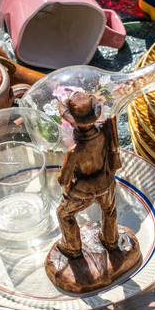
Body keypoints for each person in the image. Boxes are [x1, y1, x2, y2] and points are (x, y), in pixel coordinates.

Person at [55, 91, 122, 258]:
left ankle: (72, 248)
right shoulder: (104, 134)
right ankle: (111, 241)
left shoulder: (74, 150)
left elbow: (64, 179)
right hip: (105, 182)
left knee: (63, 214)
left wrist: (65, 189)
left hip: (83, 190)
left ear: (71, 123)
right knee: (110, 210)